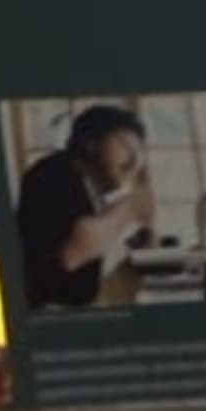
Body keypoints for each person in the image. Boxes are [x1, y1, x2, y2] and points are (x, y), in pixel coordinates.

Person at [13, 104, 155, 310]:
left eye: (139, 149)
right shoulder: (53, 172)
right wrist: (129, 209)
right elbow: (72, 256)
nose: (134, 158)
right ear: (90, 143)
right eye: (124, 145)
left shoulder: (92, 186)